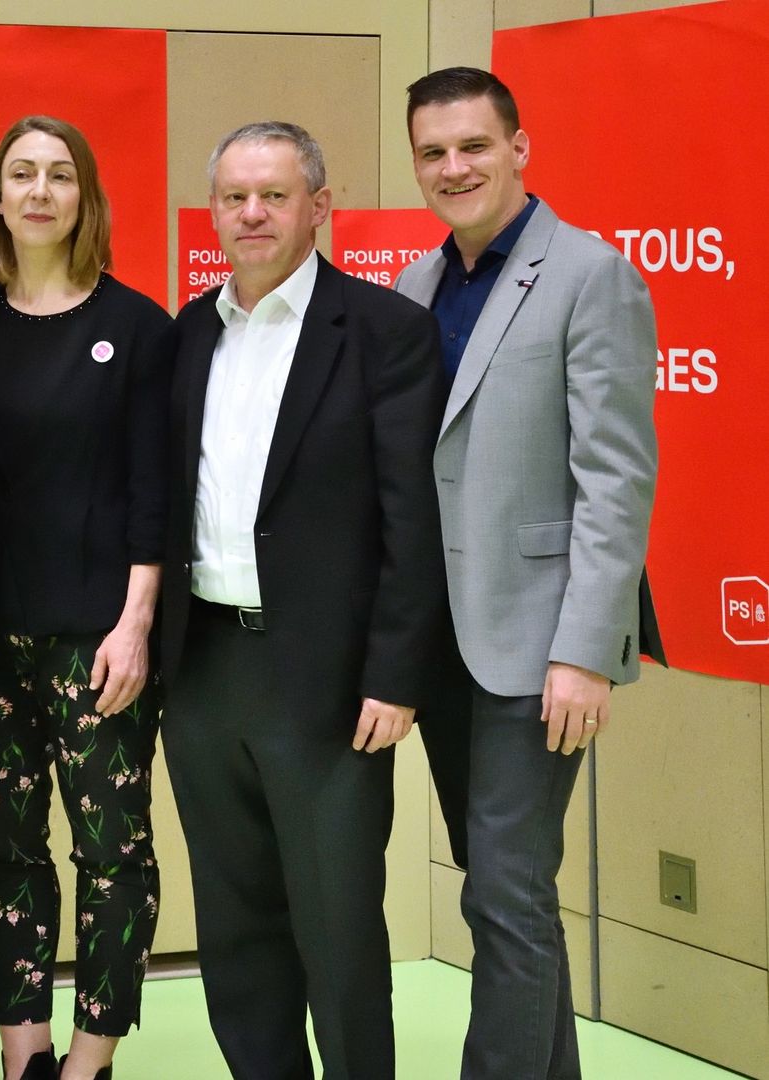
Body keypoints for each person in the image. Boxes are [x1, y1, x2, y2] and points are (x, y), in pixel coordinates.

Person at [157, 121, 446, 1079]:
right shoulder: (187, 333)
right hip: (202, 674)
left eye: (274, 196)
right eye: (235, 197)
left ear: (319, 206)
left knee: (339, 930)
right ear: (212, 212)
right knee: (235, 930)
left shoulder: (384, 331)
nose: (252, 214)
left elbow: (415, 518)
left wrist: (395, 675)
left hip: (327, 686)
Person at [397, 67, 659, 1080]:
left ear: (519, 148)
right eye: (433, 152)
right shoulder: (418, 287)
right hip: (447, 649)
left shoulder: (592, 275)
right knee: (504, 891)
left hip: (543, 647)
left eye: (472, 145)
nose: (453, 167)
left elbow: (617, 480)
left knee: (504, 891)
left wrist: (587, 652)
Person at [0, 116, 170, 1080]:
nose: (39, 190)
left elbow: (155, 489)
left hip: (97, 637)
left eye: (60, 175)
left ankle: (91, 1058)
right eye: (22, 174)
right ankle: (21, 1047)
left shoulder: (138, 325)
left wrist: (136, 624)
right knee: (7, 847)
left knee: (113, 854)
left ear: (85, 198)